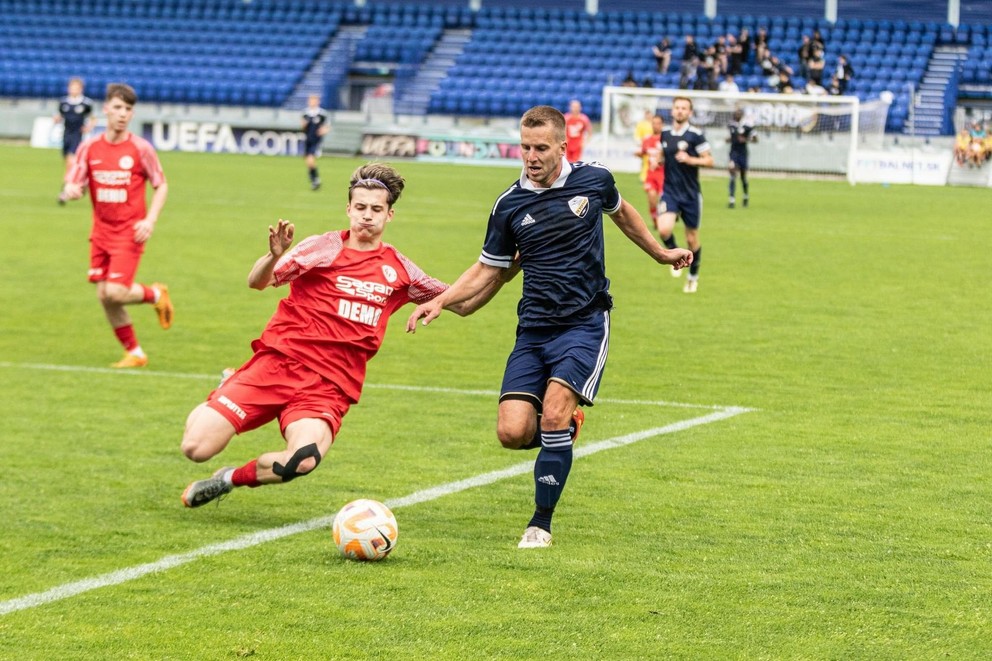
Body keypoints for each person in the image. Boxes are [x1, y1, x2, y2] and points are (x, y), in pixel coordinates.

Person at [405, 106, 692, 549]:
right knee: (512, 432)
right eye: (525, 147)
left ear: (563, 145)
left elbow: (625, 214)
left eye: (541, 148)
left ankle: (540, 523)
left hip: (585, 321)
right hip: (533, 328)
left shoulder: (594, 180)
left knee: (554, 413)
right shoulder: (508, 205)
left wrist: (660, 253)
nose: (531, 156)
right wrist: (441, 301)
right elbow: (488, 268)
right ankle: (562, 434)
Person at [180, 163, 504, 508]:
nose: (367, 216)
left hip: (328, 387)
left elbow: (464, 303)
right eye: (360, 208)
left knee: (301, 459)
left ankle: (229, 478)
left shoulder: (401, 271)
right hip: (277, 365)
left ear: (389, 215)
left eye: (376, 209)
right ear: (348, 208)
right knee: (196, 448)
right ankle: (229, 385)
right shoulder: (322, 248)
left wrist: (504, 269)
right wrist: (273, 256)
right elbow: (258, 282)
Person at [62, 82, 173, 368]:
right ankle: (135, 353)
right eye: (118, 108)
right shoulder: (90, 148)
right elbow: (76, 181)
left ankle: (156, 294)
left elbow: (161, 185)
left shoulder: (140, 148)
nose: (123, 114)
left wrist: (150, 220)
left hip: (129, 230)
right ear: (106, 109)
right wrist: (73, 189)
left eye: (128, 109)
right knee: (105, 296)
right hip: (100, 231)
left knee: (115, 292)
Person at [657, 96, 714, 293]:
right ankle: (676, 256)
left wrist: (690, 159)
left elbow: (709, 161)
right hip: (670, 191)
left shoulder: (695, 135)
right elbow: (663, 156)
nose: (680, 111)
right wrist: (658, 159)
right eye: (677, 108)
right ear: (672, 111)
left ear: (690, 113)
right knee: (664, 229)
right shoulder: (664, 134)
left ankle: (693, 276)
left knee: (692, 239)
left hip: (690, 194)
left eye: (684, 108)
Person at [55, 77, 95, 205]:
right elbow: (60, 115)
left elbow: (93, 118)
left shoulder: (86, 103)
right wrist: (56, 119)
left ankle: (66, 191)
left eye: (76, 87)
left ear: (81, 89)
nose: (73, 90)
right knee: (68, 163)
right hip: (66, 136)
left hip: (77, 137)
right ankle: (77, 184)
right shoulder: (63, 102)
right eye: (72, 87)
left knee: (71, 163)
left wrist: (89, 127)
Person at [635, 113, 666, 233]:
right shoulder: (647, 139)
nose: (656, 125)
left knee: (664, 201)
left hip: (664, 175)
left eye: (658, 123)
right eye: (654, 123)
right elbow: (643, 152)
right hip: (651, 175)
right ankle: (656, 222)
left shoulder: (666, 138)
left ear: (662, 124)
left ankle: (669, 217)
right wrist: (638, 154)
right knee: (652, 200)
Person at [727, 108, 757, 209]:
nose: (736, 115)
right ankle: (731, 199)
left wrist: (746, 139)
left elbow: (756, 139)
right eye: (735, 113)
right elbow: (733, 137)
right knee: (732, 174)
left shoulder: (748, 126)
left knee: (743, 177)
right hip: (733, 153)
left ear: (742, 115)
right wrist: (729, 139)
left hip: (743, 153)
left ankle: (745, 196)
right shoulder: (731, 125)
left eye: (738, 114)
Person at [301, 94, 329, 190]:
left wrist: (323, 130)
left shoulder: (322, 114)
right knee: (308, 161)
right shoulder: (306, 113)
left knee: (311, 160)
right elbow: (303, 126)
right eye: (310, 100)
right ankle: (313, 178)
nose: (312, 102)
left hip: (316, 141)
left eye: (314, 100)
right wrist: (304, 125)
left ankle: (316, 180)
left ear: (318, 102)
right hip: (307, 140)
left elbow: (327, 126)